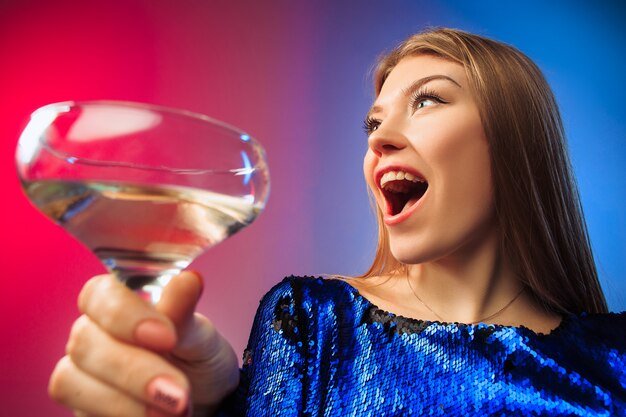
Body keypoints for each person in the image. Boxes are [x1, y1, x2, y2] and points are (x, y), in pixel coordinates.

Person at [48, 28, 626, 416]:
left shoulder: (616, 353)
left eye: (427, 102)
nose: (383, 140)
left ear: (514, 142)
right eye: (372, 126)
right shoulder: (313, 319)